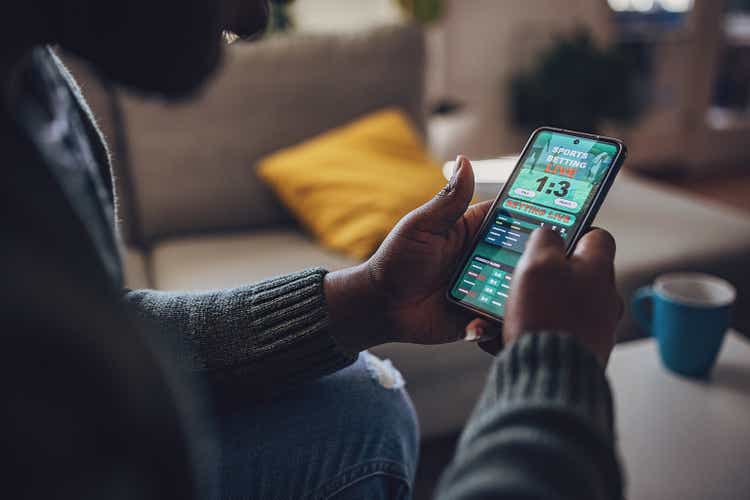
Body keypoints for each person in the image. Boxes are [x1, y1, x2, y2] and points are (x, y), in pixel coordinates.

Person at [1, 1, 624, 498]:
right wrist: (554, 373)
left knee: (363, 405)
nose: (255, 20)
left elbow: (110, 327)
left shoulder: (35, 79)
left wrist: (367, 300)